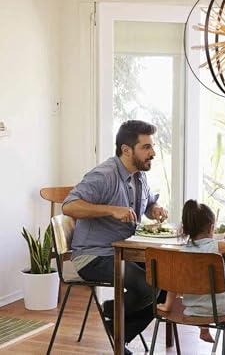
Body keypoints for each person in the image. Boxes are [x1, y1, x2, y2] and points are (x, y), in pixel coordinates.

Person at [63, 120, 168, 354]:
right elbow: (69, 206)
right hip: (94, 256)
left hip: (124, 252)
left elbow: (148, 204)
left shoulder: (139, 175)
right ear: (126, 150)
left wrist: (155, 209)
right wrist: (111, 210)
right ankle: (113, 312)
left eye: (152, 146)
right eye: (146, 147)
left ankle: (117, 330)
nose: (153, 153)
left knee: (168, 282)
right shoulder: (104, 175)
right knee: (147, 288)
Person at [158, 199, 225, 348]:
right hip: (220, 307)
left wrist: (167, 305)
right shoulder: (215, 246)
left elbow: (173, 285)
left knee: (202, 298)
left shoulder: (182, 253)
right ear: (211, 228)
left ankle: (204, 329)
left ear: (186, 228)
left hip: (192, 308)